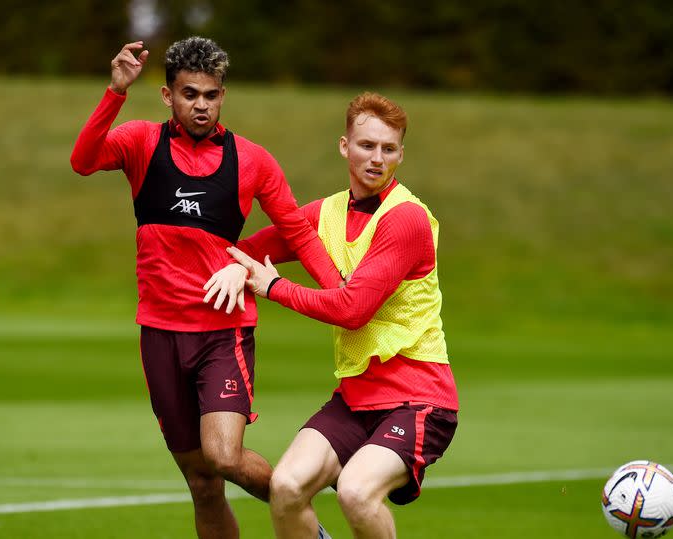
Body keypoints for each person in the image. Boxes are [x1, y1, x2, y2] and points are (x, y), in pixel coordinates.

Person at [70, 37, 340, 539]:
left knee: (222, 455)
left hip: (222, 331)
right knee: (201, 481)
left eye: (211, 95)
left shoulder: (253, 160)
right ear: (167, 95)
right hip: (159, 333)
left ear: (223, 96)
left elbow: (298, 232)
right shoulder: (139, 142)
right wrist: (114, 93)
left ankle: (309, 505)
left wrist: (338, 294)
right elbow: (83, 161)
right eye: (190, 93)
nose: (201, 105)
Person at [218, 92, 459, 539]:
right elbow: (247, 250)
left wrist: (273, 287)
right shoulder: (324, 214)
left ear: (400, 155)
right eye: (367, 145)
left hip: (419, 398)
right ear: (345, 146)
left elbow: (353, 311)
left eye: (388, 149)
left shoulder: (405, 218)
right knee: (286, 488)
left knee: (355, 491)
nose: (377, 158)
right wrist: (234, 267)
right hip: (356, 397)